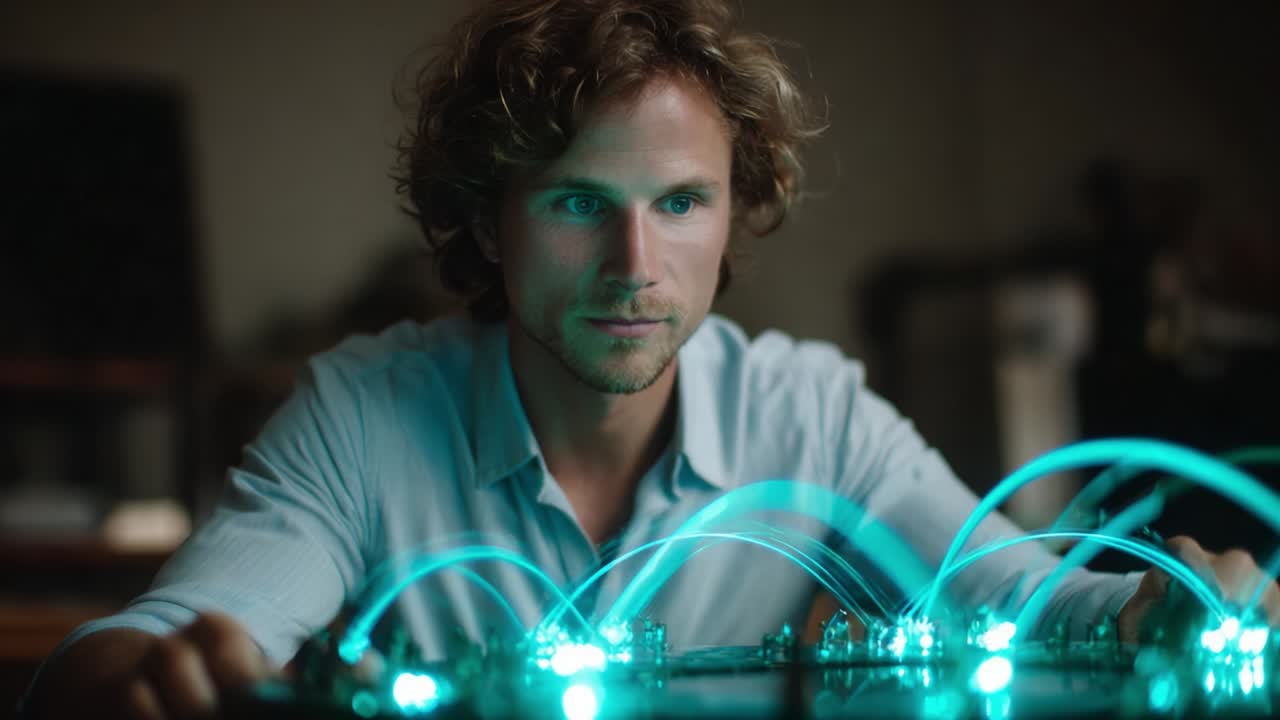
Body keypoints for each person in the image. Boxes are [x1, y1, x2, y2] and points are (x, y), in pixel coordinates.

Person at [21, 1, 1280, 718]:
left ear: (737, 213)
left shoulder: (812, 417)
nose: (635, 261)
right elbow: (173, 635)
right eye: (576, 204)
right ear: (485, 220)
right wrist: (136, 679)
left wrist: (1154, 603)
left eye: (681, 203)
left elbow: (1018, 599)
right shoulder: (360, 419)